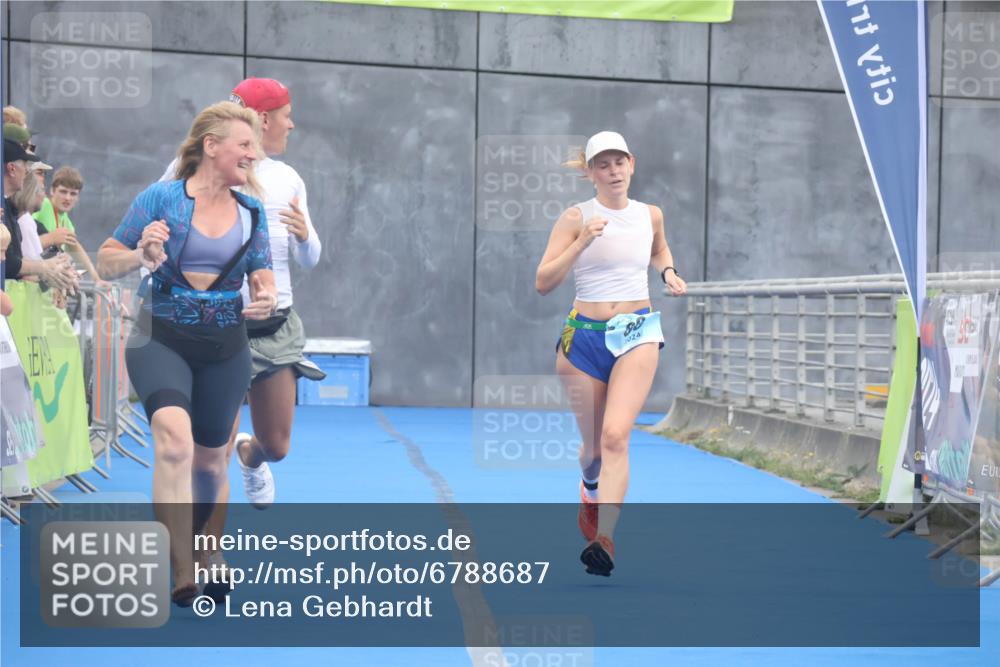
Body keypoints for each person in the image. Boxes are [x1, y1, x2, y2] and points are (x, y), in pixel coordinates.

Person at [97, 101, 278, 606]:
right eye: (245, 145)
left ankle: (207, 552)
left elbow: (261, 270)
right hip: (161, 333)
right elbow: (106, 261)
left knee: (211, 463)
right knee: (174, 442)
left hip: (225, 345)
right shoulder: (160, 198)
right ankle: (180, 567)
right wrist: (140, 255)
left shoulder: (252, 210)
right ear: (211, 147)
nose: (252, 155)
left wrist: (264, 293)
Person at [161, 77, 323, 512]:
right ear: (264, 118)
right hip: (219, 328)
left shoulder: (287, 178)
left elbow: (309, 258)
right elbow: (153, 228)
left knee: (277, 445)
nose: (292, 125)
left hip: (276, 327)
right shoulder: (190, 169)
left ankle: (253, 458)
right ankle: (204, 559)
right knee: (212, 454)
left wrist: (306, 237)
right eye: (287, 116)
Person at [535, 131, 687, 577]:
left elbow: (658, 248)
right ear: (590, 172)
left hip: (637, 330)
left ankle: (606, 537)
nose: (613, 171)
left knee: (617, 436)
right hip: (583, 337)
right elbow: (543, 282)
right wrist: (581, 241)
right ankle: (588, 487)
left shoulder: (650, 214)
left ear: (632, 164)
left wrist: (669, 271)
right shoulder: (574, 217)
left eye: (619, 162)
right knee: (593, 451)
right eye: (603, 164)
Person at [2, 140, 78, 294]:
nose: (28, 173)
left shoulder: (11, 210)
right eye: (26, 166)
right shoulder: (15, 214)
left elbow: (13, 261)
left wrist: (55, 271)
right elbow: (8, 263)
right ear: (11, 168)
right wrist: (46, 268)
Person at [34, 166, 104, 285]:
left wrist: (96, 279)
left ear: (78, 197)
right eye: (63, 191)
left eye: (73, 194)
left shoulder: (66, 222)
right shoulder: (43, 205)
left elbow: (75, 247)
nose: (67, 198)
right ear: (52, 191)